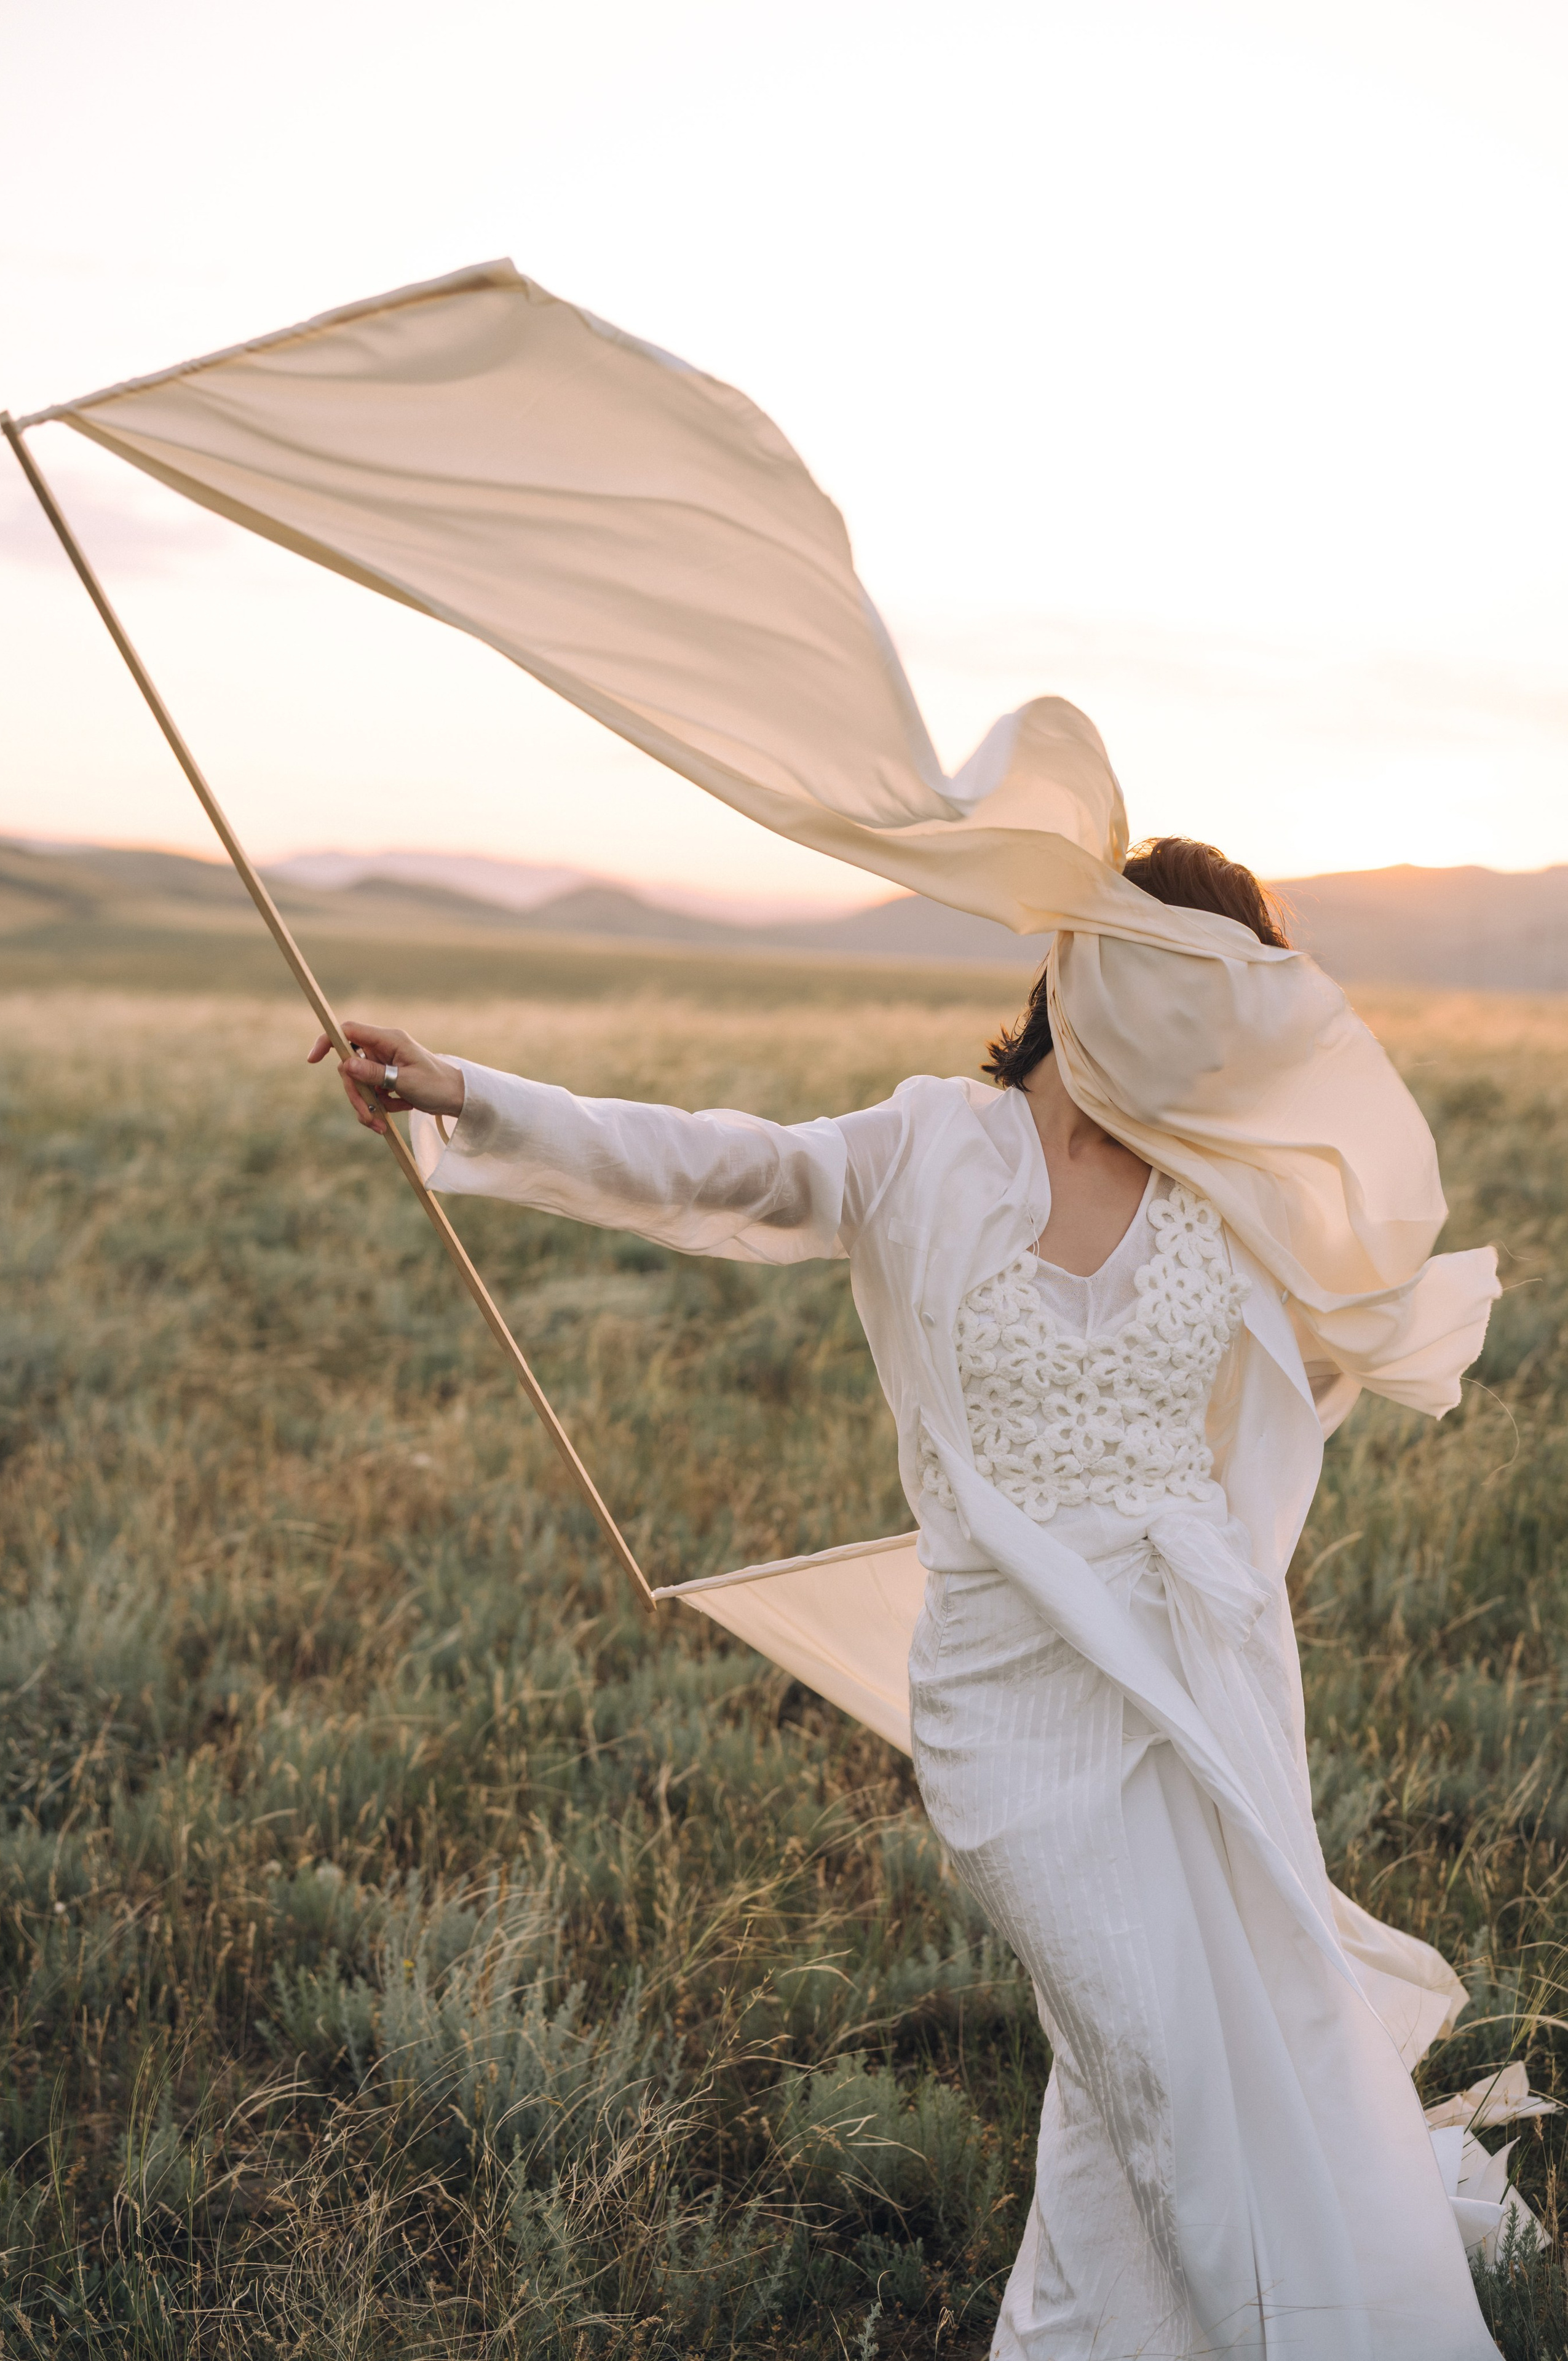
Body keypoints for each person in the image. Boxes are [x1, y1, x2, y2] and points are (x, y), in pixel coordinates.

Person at [309, 836, 1503, 2361]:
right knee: (1141, 2035)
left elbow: (1316, 1367)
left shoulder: (1233, 1183)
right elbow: (718, 1161)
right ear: (1079, 966)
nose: (1196, 1030)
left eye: (1225, 1004)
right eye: (1168, 982)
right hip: (1011, 1696)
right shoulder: (928, 1147)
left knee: (1202, 2025)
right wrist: (470, 1093)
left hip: (1204, 1661)